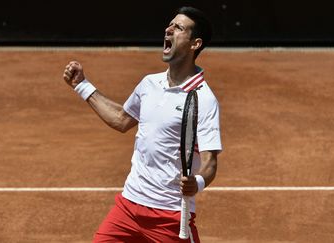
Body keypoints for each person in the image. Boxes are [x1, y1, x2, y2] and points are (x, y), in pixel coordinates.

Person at [63, 6, 222, 243]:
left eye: (178, 28)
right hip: (128, 206)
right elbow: (121, 119)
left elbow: (210, 163)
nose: (168, 29)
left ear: (194, 44)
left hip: (169, 216)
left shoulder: (204, 99)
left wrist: (196, 183)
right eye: (170, 24)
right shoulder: (149, 84)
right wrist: (82, 85)